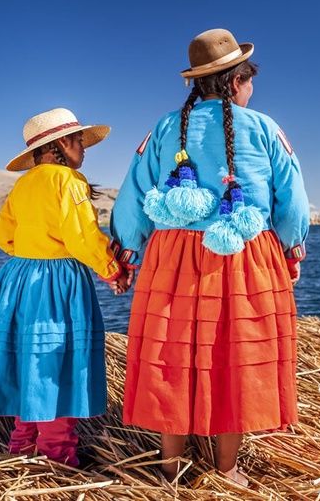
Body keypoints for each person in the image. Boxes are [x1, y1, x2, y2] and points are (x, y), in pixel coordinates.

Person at [109, 28, 309, 485]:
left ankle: (169, 465)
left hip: (172, 256)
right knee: (235, 354)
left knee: (172, 354)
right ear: (237, 81)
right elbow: (292, 198)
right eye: (250, 80)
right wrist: (291, 249)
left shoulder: (163, 127)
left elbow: (133, 195)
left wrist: (126, 253)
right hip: (242, 252)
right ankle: (227, 467)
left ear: (199, 84)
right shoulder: (264, 127)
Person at [0, 107, 129, 467]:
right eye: (79, 139)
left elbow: (4, 237)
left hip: (18, 279)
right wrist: (112, 270)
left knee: (31, 362)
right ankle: (58, 456)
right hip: (58, 283)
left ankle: (22, 447)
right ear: (62, 143)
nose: (84, 147)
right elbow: (81, 238)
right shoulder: (68, 182)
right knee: (57, 364)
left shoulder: (23, 184)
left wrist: (31, 254)